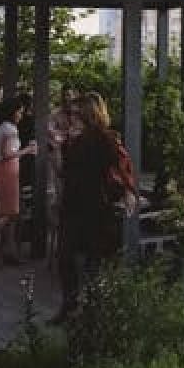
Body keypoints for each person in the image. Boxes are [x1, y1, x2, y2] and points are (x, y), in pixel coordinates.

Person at [54, 93, 136, 322]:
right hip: (73, 205)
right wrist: (60, 147)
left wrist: (128, 191)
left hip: (95, 206)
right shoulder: (73, 139)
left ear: (88, 114)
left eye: (76, 114)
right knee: (66, 257)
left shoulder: (105, 138)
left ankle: (93, 309)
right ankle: (71, 305)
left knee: (93, 259)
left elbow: (122, 166)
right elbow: (64, 172)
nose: (71, 119)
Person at [0, 97, 35, 264]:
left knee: (8, 213)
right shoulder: (10, 129)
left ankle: (8, 250)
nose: (20, 114)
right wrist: (28, 150)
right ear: (12, 112)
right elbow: (7, 154)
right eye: (19, 111)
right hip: (8, 171)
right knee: (9, 213)